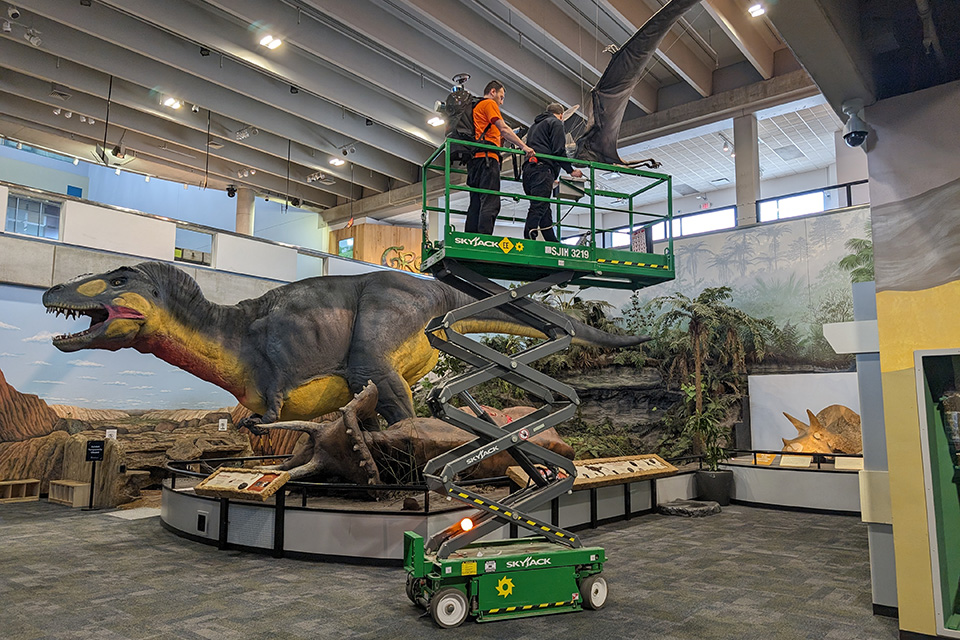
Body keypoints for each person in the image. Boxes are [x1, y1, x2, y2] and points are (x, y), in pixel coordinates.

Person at [465, 80, 535, 235]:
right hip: (487, 159)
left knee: (476, 202)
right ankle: (485, 239)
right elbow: (503, 129)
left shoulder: (475, 107)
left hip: (474, 160)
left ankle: (470, 237)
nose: (501, 102)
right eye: (501, 97)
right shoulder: (489, 104)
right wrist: (524, 146)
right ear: (492, 92)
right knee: (491, 202)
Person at [521, 103, 583, 242]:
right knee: (539, 206)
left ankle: (551, 241)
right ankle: (529, 239)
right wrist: (571, 171)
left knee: (544, 208)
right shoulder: (556, 123)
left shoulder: (534, 126)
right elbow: (558, 150)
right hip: (542, 170)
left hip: (529, 170)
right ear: (561, 115)